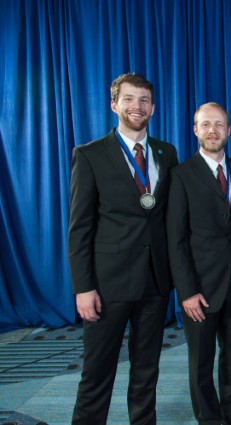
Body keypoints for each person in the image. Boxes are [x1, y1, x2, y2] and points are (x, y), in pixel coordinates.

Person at [67, 73, 178, 424]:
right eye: (128, 99)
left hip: (155, 282)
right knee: (97, 372)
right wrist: (83, 288)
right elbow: (79, 228)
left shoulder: (166, 153)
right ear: (114, 104)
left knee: (147, 371)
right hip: (108, 285)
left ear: (153, 108)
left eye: (144, 100)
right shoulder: (89, 155)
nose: (137, 106)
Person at [166, 102, 231, 425]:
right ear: (195, 130)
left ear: (228, 130)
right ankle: (209, 419)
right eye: (206, 124)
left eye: (219, 125)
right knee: (201, 360)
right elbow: (176, 239)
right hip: (200, 288)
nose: (212, 131)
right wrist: (186, 291)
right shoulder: (181, 175)